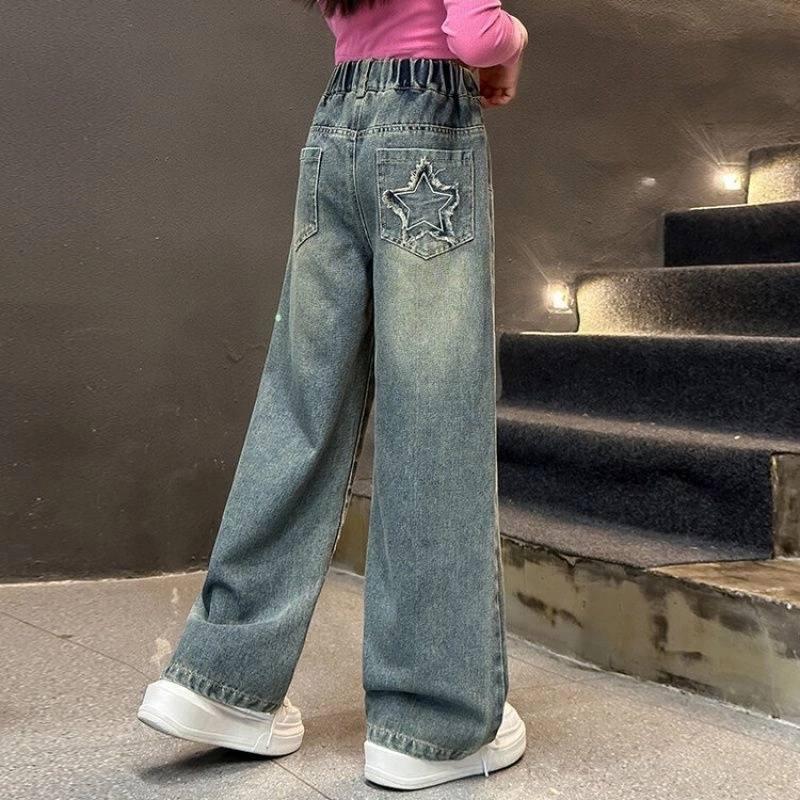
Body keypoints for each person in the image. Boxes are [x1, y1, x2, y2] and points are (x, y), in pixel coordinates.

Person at [137, 0, 529, 790]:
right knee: (432, 415)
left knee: (300, 404)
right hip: (427, 133)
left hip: (338, 120)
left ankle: (220, 680)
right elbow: (475, 32)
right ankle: (431, 724)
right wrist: (512, 47)